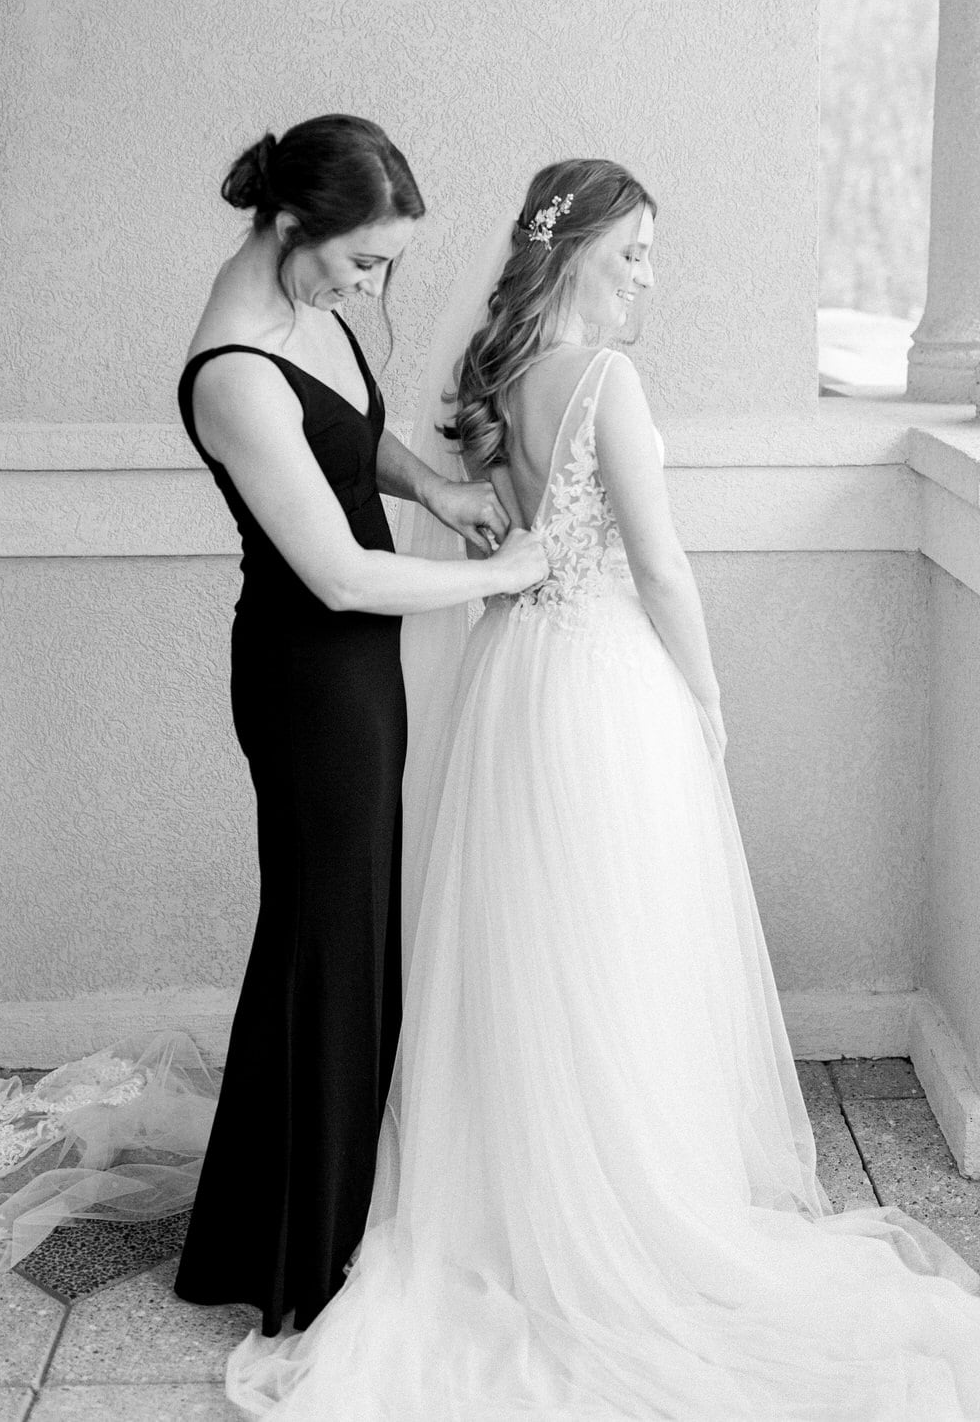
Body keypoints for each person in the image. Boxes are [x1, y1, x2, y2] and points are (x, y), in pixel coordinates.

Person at [226, 159, 980, 1418]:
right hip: (603, 681)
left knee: (525, 940)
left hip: (512, 671)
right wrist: (705, 692)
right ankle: (625, 1203)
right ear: (570, 253)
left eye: (650, 254)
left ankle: (512, 1197)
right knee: (619, 946)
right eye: (631, 251)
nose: (647, 277)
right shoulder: (606, 382)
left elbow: (493, 517)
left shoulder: (494, 370)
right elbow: (662, 566)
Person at [172, 115, 546, 1339]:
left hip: (355, 676)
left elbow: (343, 436)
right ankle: (298, 1255)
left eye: (382, 263)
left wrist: (431, 487)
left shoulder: (309, 313)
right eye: (360, 260)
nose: (372, 284)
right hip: (303, 675)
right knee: (327, 952)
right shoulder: (231, 367)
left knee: (334, 943)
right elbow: (335, 573)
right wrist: (500, 574)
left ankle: (272, 1223)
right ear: (288, 226)